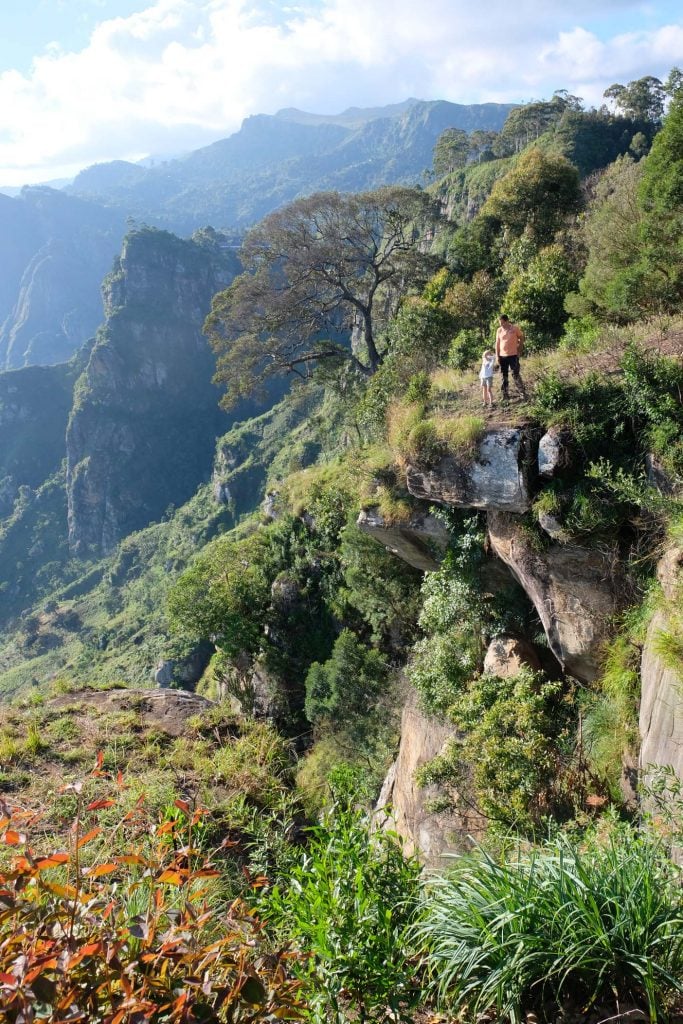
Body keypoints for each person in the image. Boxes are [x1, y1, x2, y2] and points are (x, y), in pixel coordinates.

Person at [495, 314, 527, 399]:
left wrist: (519, 350)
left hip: (513, 355)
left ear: (507, 321)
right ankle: (505, 395)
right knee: (503, 376)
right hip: (502, 356)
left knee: (515, 374)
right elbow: (497, 343)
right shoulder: (499, 330)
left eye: (502, 323)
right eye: (500, 323)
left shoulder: (515, 328)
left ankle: (522, 393)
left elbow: (521, 337)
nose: (501, 325)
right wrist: (497, 356)